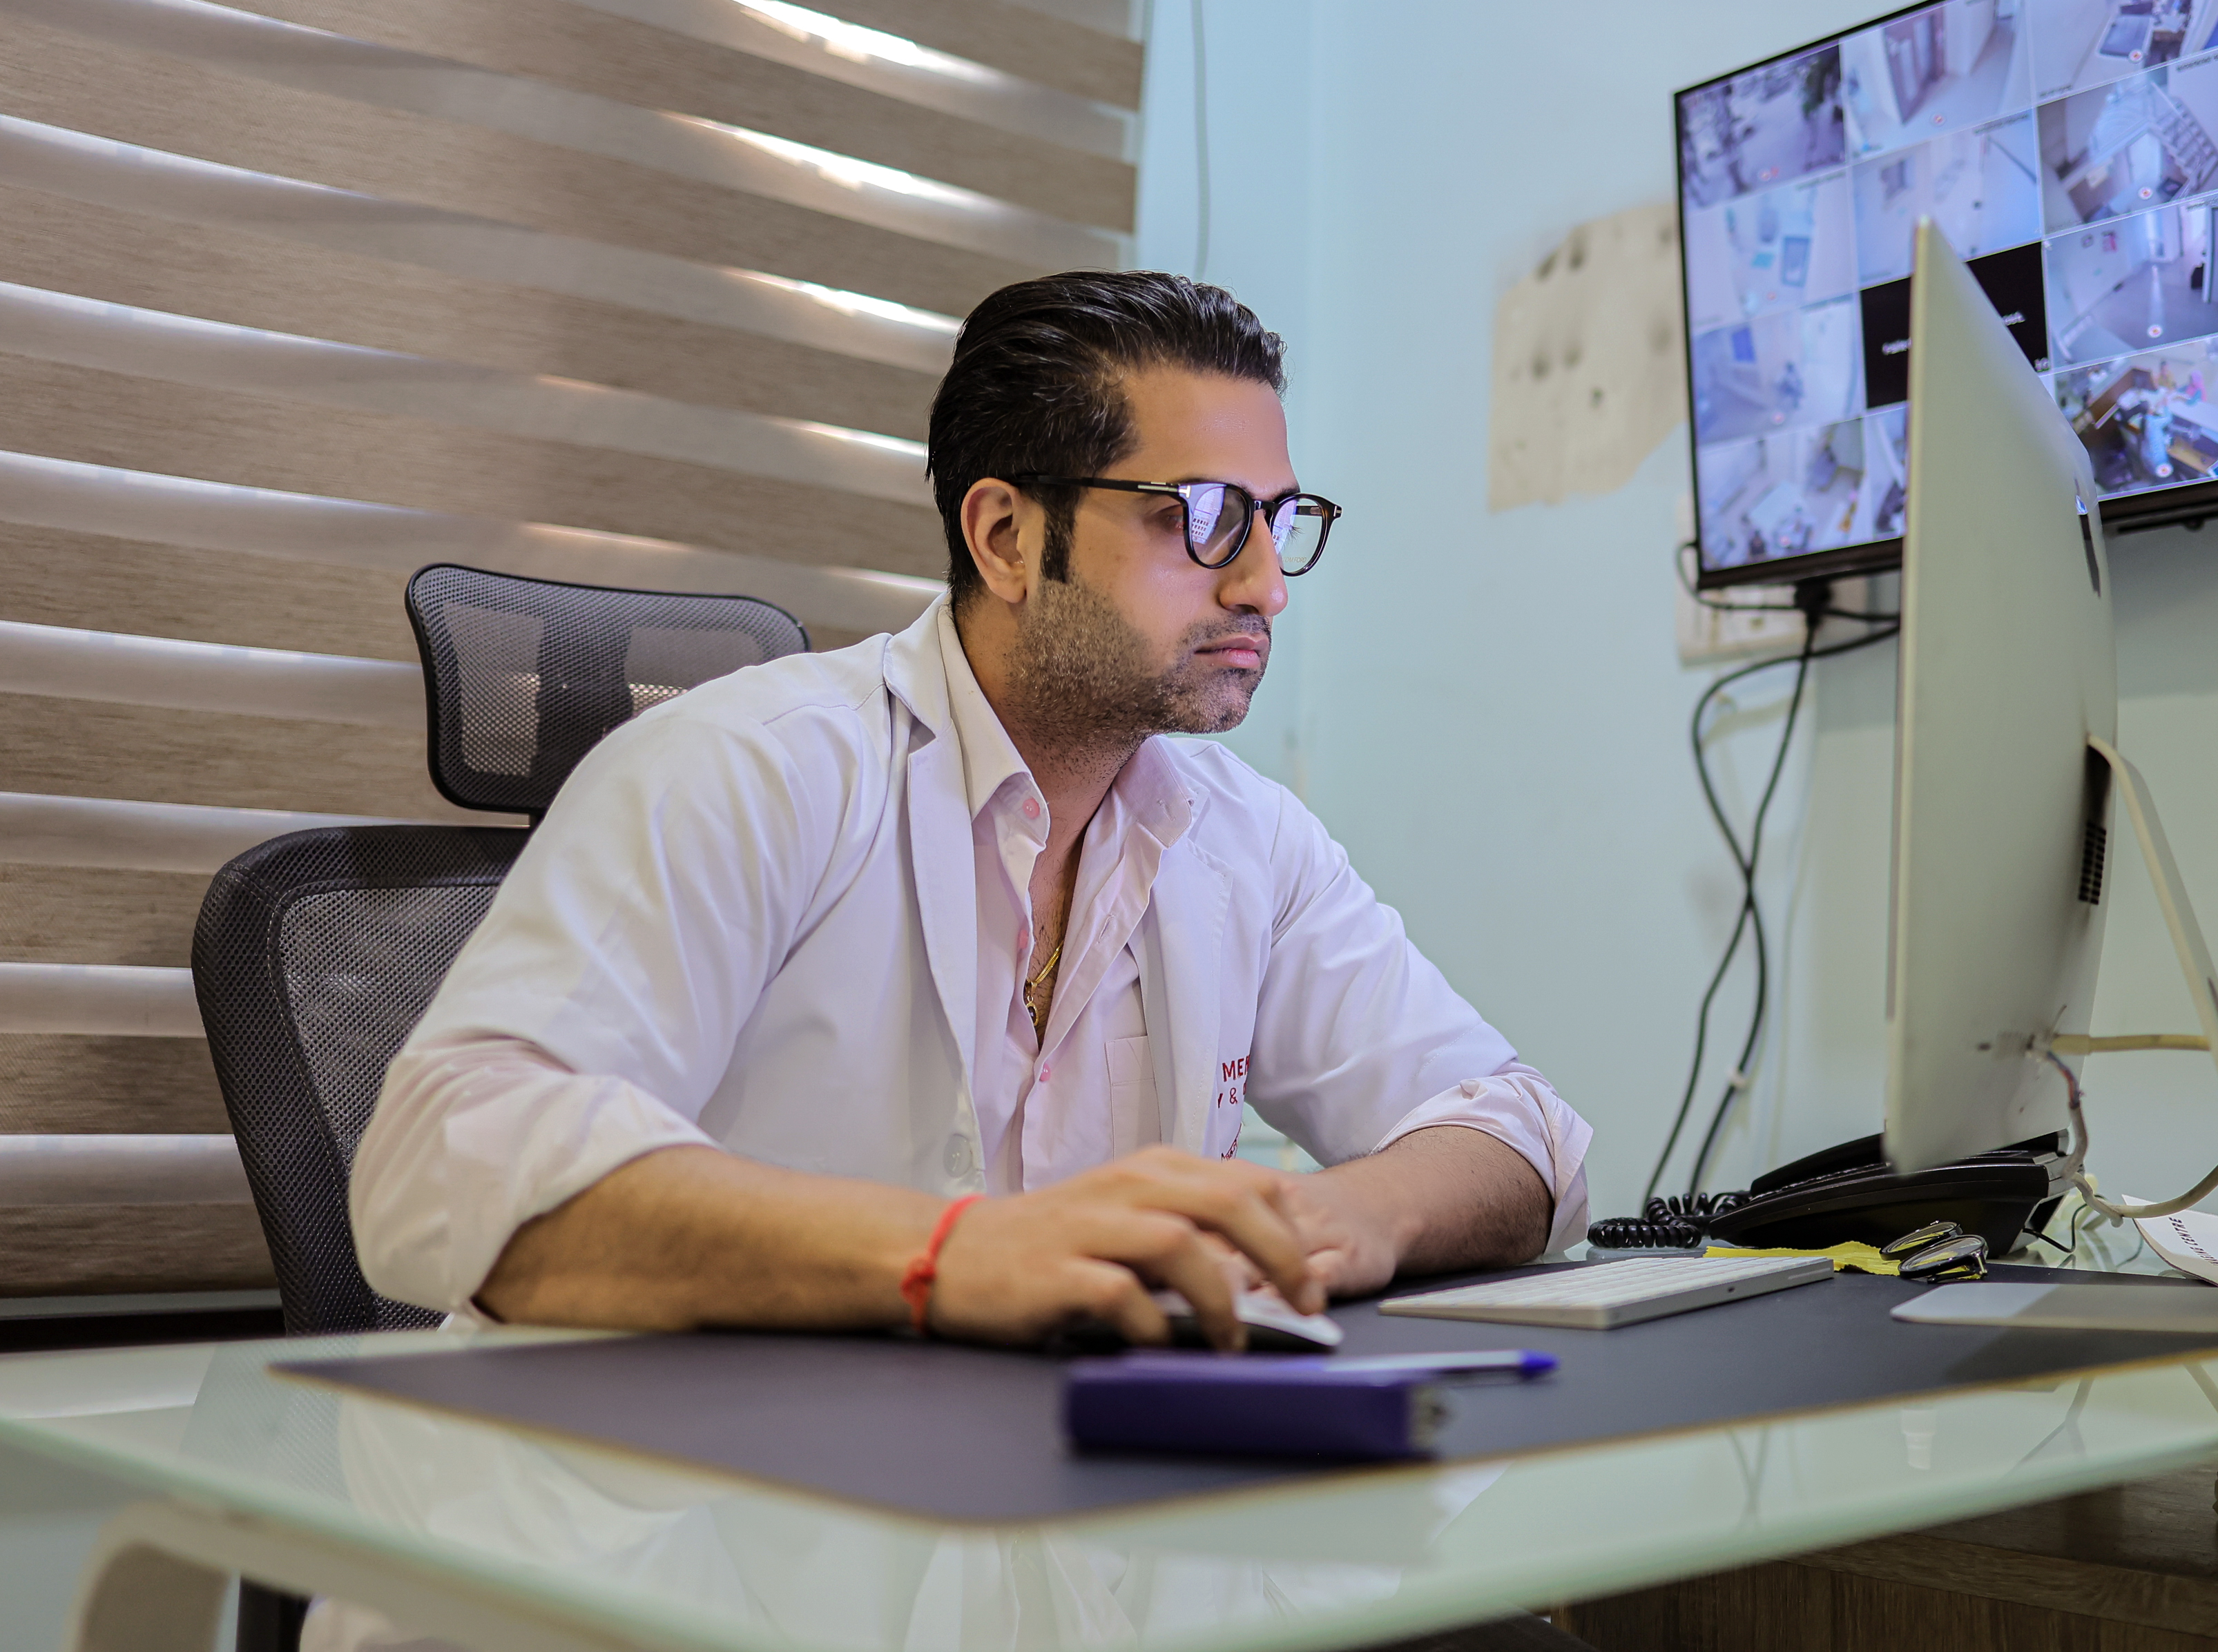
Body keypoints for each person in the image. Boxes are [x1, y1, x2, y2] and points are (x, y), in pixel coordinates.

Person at [351, 271, 1593, 1349]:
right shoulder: (747, 770)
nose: (1266, 585)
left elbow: (1525, 1135)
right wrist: (947, 1256)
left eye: (1278, 520)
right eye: (1205, 518)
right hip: (632, 1509)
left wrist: (1334, 1222)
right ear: (1005, 537)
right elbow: (439, 1164)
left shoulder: (1243, 837)